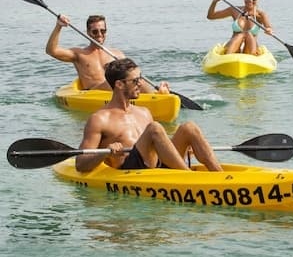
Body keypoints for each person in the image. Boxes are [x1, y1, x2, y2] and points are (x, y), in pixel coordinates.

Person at [76, 58, 222, 172]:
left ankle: (221, 176)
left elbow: (156, 147)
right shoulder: (100, 119)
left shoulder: (144, 112)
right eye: (135, 80)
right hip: (131, 170)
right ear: (119, 84)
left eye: (141, 78)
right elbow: (80, 164)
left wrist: (183, 147)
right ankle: (189, 177)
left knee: (189, 128)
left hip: (155, 165)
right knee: (154, 128)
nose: (141, 84)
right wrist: (105, 153)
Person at [45, 14, 168, 94]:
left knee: (137, 77)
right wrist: (59, 26)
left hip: (116, 91)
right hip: (93, 93)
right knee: (115, 81)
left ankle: (157, 95)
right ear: (88, 32)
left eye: (102, 31)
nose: (99, 34)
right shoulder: (79, 54)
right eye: (95, 31)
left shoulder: (117, 53)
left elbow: (133, 74)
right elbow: (51, 51)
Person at [206, 0, 273, 55]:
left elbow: (268, 27)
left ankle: (250, 57)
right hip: (234, 47)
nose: (250, 0)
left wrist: (269, 30)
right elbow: (211, 16)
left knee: (248, 34)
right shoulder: (235, 10)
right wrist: (214, 2)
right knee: (240, 35)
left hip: (250, 48)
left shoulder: (260, 15)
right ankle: (228, 57)